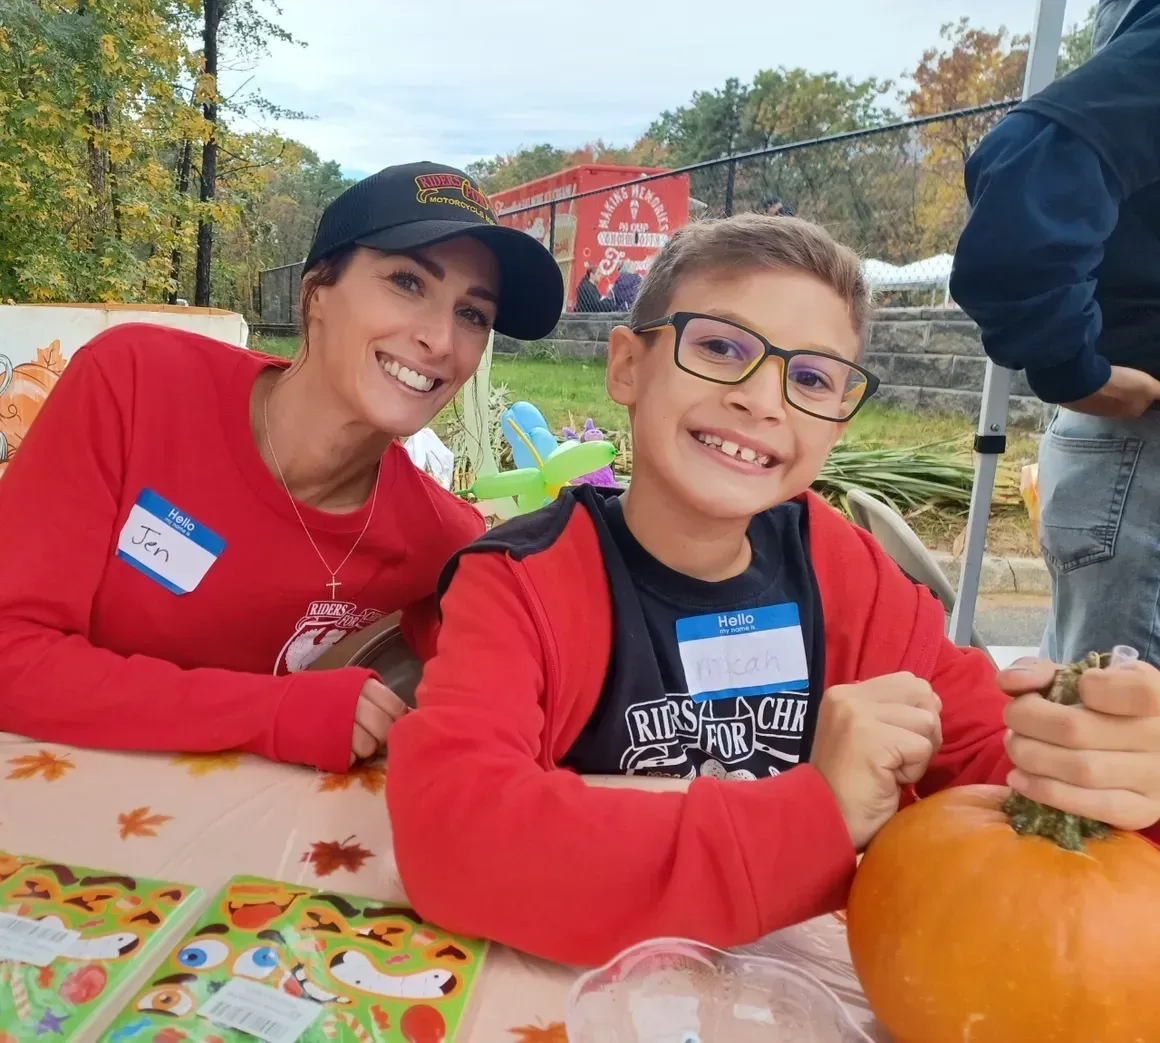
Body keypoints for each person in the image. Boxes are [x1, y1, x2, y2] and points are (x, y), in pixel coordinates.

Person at [386, 213, 1160, 966]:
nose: (763, 399)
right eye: (721, 346)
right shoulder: (524, 579)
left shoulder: (840, 567)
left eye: (814, 377)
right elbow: (457, 837)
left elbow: (988, 749)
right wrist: (818, 815)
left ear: (837, 423)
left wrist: (1092, 765)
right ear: (627, 365)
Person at [0, 161, 563, 773]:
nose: (440, 339)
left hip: (206, 835)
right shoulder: (134, 385)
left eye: (472, 314)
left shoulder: (441, 540)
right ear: (316, 292)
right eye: (406, 282)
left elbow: (525, 704)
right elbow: (10, 654)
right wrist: (272, 711)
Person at [950, 0, 1160, 666]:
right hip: (1143, 448)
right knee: (1108, 745)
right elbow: (1032, 163)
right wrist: (1080, 372)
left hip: (1134, 457)